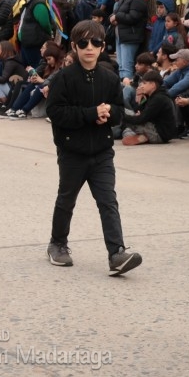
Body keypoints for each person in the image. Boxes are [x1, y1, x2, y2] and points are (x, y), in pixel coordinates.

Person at [45, 20, 142, 276]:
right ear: (74, 47)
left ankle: (116, 253)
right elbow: (55, 113)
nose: (90, 47)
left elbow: (121, 112)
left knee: (108, 201)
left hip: (101, 152)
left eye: (96, 42)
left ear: (102, 47)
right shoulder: (63, 79)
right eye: (84, 43)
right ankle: (57, 243)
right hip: (72, 152)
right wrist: (90, 114)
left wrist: (109, 113)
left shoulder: (110, 79)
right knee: (67, 200)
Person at [121, 70, 178, 146]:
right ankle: (140, 136)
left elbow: (141, 119)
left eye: (144, 83)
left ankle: (143, 136)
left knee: (120, 112)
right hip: (158, 131)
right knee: (125, 116)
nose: (142, 86)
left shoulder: (159, 98)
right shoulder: (153, 96)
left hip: (159, 134)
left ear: (153, 85)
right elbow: (139, 111)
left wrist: (120, 116)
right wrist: (139, 98)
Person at [110, 0, 148, 80]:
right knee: (121, 65)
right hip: (121, 36)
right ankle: (122, 86)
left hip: (131, 37)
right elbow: (116, 13)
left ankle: (128, 89)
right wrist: (113, 18)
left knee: (127, 65)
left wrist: (117, 17)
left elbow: (133, 17)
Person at [17, 0, 52, 67]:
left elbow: (45, 24)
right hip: (26, 42)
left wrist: (49, 33)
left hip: (34, 44)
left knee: (34, 67)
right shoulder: (30, 2)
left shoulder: (38, 4)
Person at [0, 40, 25, 111]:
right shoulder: (3, 61)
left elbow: (3, 79)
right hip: (12, 88)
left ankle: (4, 102)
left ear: (4, 50)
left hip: (17, 91)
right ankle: (1, 102)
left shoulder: (10, 62)